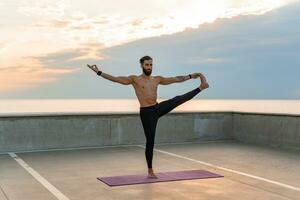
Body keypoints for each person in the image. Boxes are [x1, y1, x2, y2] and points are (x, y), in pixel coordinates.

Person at [87, 55, 209, 178]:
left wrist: (191, 76)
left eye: (151, 64)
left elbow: (176, 79)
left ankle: (201, 88)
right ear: (141, 65)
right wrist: (99, 72)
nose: (149, 67)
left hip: (157, 108)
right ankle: (150, 170)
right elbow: (116, 79)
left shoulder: (157, 79)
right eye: (147, 65)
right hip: (146, 113)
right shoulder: (135, 79)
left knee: (177, 99)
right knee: (150, 141)